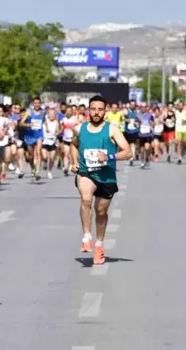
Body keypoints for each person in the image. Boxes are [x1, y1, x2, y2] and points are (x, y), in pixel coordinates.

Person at [70, 95, 131, 265]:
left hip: (106, 176)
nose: (96, 112)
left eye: (100, 109)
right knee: (86, 199)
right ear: (89, 110)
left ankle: (99, 244)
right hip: (86, 173)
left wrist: (109, 156)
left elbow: (128, 152)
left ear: (105, 111)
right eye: (93, 109)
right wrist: (74, 162)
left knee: (101, 212)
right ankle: (86, 236)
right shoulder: (79, 129)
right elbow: (74, 145)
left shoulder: (112, 129)